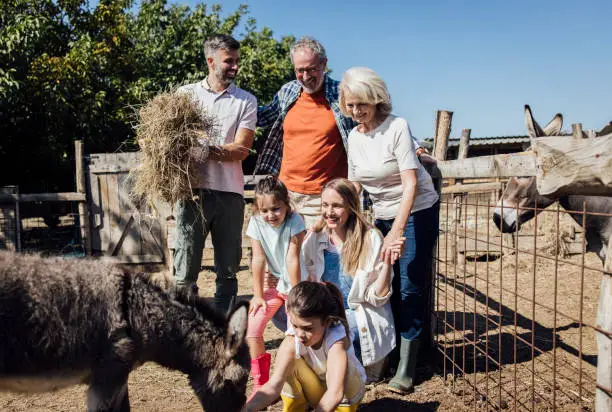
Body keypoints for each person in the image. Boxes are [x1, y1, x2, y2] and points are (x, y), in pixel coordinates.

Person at [339, 67, 440, 394]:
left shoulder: (397, 127)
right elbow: (355, 184)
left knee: (409, 282)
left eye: (362, 104)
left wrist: (397, 232)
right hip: (381, 214)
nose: (356, 111)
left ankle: (408, 367)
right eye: (350, 105)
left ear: (377, 99)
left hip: (417, 208)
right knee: (386, 283)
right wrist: (342, 214)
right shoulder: (355, 136)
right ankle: (391, 353)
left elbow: (410, 182)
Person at [172, 35, 257, 313]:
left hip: (230, 194)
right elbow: (172, 141)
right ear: (211, 61)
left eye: (236, 61)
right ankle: (183, 328)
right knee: (185, 269)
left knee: (228, 270)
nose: (234, 67)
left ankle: (224, 331)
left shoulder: (245, 101)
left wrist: (203, 150)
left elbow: (241, 149)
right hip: (191, 192)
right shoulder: (186, 95)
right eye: (228, 61)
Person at [300, 178, 403, 382]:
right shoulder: (314, 239)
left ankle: (349, 374)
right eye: (325, 205)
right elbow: (305, 283)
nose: (329, 212)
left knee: (338, 329)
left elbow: (378, 298)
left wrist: (388, 264)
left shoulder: (370, 238)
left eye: (337, 206)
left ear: (351, 207)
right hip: (328, 313)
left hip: (359, 314)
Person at [254, 36, 355, 229]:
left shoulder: (343, 93)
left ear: (324, 64)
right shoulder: (288, 91)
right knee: (287, 257)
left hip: (324, 199)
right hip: (285, 196)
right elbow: (262, 116)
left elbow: (374, 119)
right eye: (300, 70)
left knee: (320, 256)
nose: (306, 76)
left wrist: (416, 149)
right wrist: (234, 102)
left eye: (311, 69)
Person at [243, 281, 366, 412]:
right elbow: (274, 385)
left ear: (327, 322)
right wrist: (246, 409)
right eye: (295, 326)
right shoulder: (292, 340)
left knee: (343, 369)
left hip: (344, 398)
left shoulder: (336, 340)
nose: (300, 334)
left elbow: (335, 393)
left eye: (308, 328)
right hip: (318, 392)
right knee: (289, 363)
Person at [245, 176, 306, 399]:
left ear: (286, 205)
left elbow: (293, 258)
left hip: (296, 283)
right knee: (252, 330)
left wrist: (296, 295)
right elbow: (258, 259)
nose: (271, 215)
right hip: (273, 285)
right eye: (265, 210)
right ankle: (260, 384)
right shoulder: (256, 223)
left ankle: (297, 381)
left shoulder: (295, 221)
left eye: (276, 208)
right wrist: (258, 295)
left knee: (296, 333)